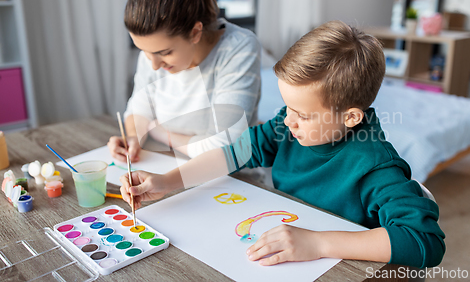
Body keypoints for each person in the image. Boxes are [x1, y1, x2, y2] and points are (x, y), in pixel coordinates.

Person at [119, 21, 445, 268]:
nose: (288, 121)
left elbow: (424, 241)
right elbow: (234, 153)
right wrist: (166, 181)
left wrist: (317, 243)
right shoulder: (288, 127)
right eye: (287, 107)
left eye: (302, 114)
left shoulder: (374, 166)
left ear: (350, 117)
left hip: (338, 266)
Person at [108, 0, 261, 162]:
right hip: (165, 162)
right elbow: (139, 110)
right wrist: (134, 138)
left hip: (229, 176)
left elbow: (225, 148)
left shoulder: (238, 49)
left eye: (165, 52)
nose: (154, 65)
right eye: (144, 51)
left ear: (195, 32)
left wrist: (164, 135)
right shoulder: (154, 50)